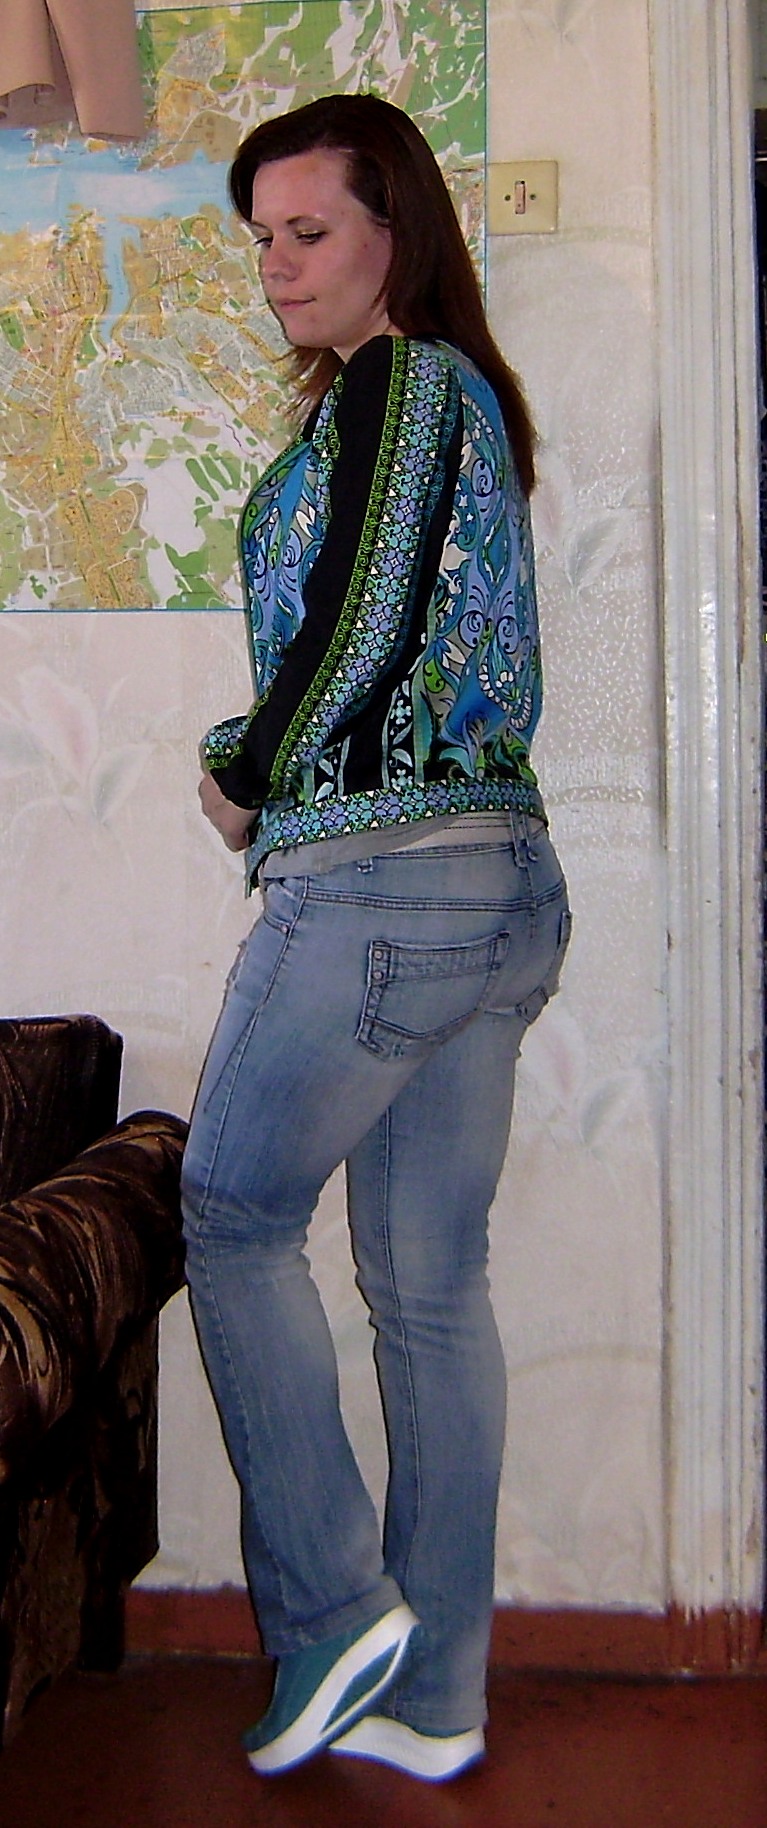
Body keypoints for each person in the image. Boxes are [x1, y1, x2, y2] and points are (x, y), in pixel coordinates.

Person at [181, 92, 571, 1784]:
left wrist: (244, 770)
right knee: (428, 1287)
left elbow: (361, 616)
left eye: (309, 230)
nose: (276, 264)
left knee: (231, 1214)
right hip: (493, 893)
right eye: (262, 237)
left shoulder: (404, 384)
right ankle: (438, 1693)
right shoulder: (454, 394)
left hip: (381, 889)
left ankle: (336, 1610)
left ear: (395, 233)